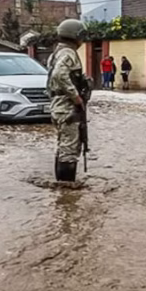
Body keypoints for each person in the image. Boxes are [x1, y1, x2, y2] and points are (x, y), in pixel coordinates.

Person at [47, 19, 89, 182]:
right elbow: (59, 75)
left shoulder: (56, 53)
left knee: (64, 146)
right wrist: (76, 97)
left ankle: (61, 187)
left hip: (59, 107)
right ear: (75, 36)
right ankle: (66, 192)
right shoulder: (68, 53)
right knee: (69, 149)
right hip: (67, 107)